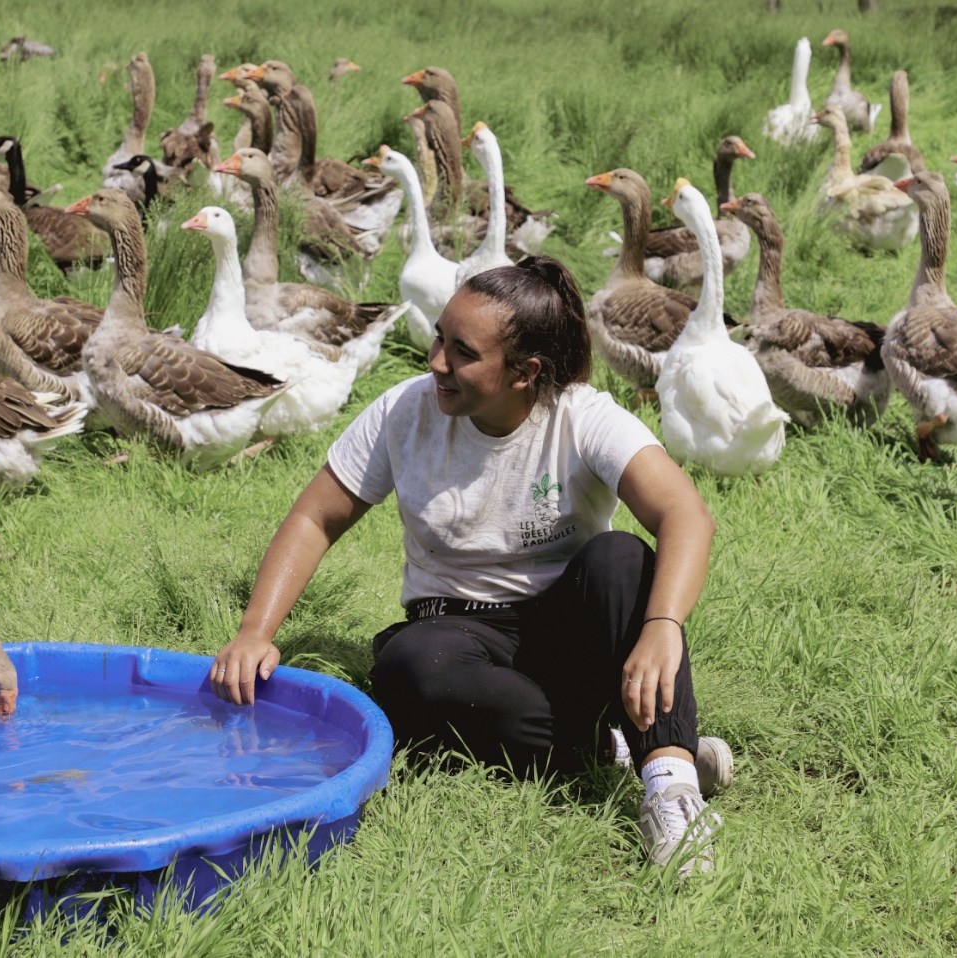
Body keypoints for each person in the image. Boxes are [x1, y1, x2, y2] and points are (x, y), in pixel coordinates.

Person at [210, 257, 731, 874]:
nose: (436, 362)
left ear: (524, 372)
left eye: (462, 352)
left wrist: (662, 625)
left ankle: (671, 785)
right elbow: (314, 518)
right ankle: (612, 744)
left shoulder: (581, 415)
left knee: (621, 558)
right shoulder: (405, 411)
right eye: (439, 338)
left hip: (567, 633)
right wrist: (254, 633)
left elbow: (686, 515)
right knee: (412, 671)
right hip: (454, 634)